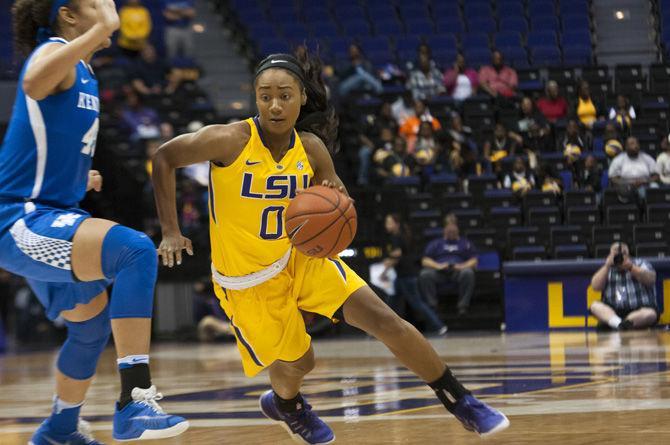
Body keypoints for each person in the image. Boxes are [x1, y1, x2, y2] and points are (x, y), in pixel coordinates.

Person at [151, 52, 509, 444]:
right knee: (302, 361)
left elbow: (335, 199)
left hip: (302, 258)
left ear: (302, 97)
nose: (275, 104)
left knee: (388, 322)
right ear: (254, 97)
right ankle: (287, 405)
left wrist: (336, 203)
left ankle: (461, 401)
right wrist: (171, 229)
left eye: (285, 95)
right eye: (265, 95)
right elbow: (164, 157)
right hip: (247, 280)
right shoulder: (229, 140)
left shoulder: (311, 147)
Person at [1, 1, 188, 444]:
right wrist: (98, 29)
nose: (109, 5)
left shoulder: (82, 69)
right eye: (96, 3)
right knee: (135, 250)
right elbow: (30, 81)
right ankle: (134, 400)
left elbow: (38, 145)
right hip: (18, 221)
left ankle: (59, 431)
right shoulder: (54, 51)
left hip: (50, 213)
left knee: (89, 326)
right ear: (68, 14)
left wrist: (75, 176)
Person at [383, 214, 446, 334]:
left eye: (389, 222)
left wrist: (387, 262)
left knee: (417, 303)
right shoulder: (402, 236)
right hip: (401, 276)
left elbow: (397, 255)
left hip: (406, 276)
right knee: (391, 302)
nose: (387, 225)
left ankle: (439, 325)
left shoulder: (397, 237)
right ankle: (380, 328)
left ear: (396, 224)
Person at [590, 243, 658, 330]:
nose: (620, 257)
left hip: (639, 310)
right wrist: (607, 266)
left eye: (623, 253)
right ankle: (620, 324)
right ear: (610, 255)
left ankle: (622, 324)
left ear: (628, 254)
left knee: (650, 314)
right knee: (595, 306)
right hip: (613, 312)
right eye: (616, 254)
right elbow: (595, 286)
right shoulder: (607, 268)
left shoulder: (640, 263)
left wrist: (631, 267)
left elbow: (651, 280)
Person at [418, 219, 477, 316]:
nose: (451, 232)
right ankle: (432, 306)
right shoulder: (436, 243)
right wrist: (438, 266)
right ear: (444, 230)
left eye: (453, 230)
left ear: (457, 229)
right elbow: (425, 260)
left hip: (458, 271)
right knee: (424, 274)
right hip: (440, 271)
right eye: (449, 230)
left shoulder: (465, 243)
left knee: (468, 273)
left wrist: (461, 266)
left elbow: (474, 260)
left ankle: (463, 306)